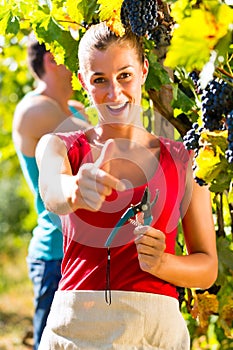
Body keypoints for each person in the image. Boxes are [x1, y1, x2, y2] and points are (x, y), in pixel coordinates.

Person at [36, 22, 218, 349]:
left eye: (125, 75)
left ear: (144, 70)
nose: (114, 93)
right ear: (82, 82)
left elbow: (207, 268)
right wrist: (76, 189)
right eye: (99, 80)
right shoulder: (58, 146)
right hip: (76, 331)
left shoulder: (184, 159)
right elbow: (52, 193)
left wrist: (164, 263)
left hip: (155, 335)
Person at [12, 36, 90, 350]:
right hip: (56, 254)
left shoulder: (72, 108)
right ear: (50, 60)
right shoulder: (36, 110)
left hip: (84, 250)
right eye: (69, 54)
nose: (78, 64)